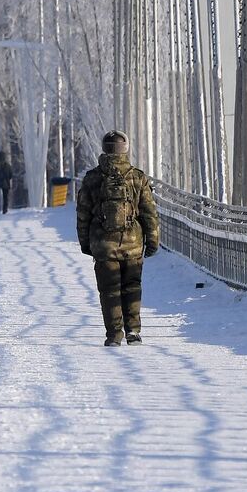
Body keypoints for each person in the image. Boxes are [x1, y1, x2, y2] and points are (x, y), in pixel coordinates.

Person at [75, 130, 160, 346]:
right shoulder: (137, 177)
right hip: (132, 244)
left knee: (109, 290)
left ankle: (114, 335)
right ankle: (133, 331)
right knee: (132, 286)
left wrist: (86, 243)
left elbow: (83, 213)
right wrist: (152, 241)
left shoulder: (92, 178)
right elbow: (149, 212)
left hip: (103, 245)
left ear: (104, 148)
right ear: (126, 149)